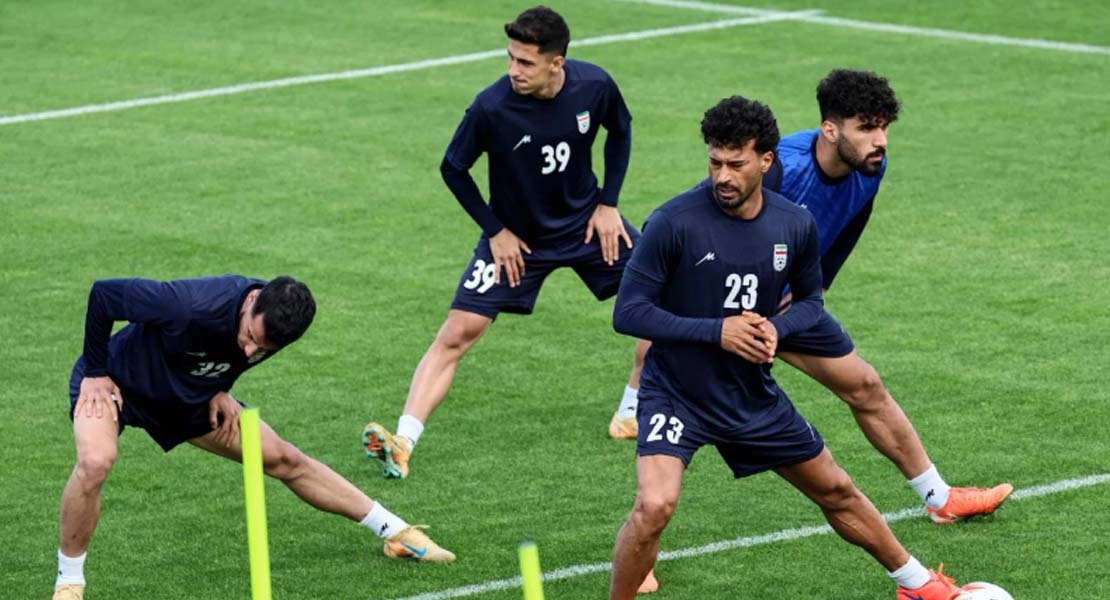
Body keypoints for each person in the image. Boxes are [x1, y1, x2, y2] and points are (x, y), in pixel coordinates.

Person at [608, 96, 973, 600]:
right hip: (677, 393)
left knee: (836, 489)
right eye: (715, 162)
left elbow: (811, 301)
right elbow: (628, 312)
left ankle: (916, 584)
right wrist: (718, 331)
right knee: (654, 506)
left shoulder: (793, 224)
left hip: (749, 395)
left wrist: (778, 330)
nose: (722, 176)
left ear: (766, 160)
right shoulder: (674, 222)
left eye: (736, 164)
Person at [363, 5, 645, 478]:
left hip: (587, 227)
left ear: (557, 62)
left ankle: (631, 412)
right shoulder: (492, 107)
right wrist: (496, 231)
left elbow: (620, 130)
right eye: (511, 58)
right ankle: (403, 441)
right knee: (456, 333)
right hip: (518, 242)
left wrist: (608, 203)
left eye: (526, 62)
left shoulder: (594, 86)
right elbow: (453, 168)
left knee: (660, 293)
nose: (514, 70)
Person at [53, 276, 453, 600]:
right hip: (117, 384)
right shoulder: (187, 304)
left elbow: (233, 354)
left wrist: (220, 387)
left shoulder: (277, 326)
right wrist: (96, 373)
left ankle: (395, 532)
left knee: (284, 459)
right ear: (251, 300)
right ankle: (69, 582)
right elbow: (104, 294)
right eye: (248, 335)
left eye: (262, 348)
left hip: (190, 398)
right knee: (95, 461)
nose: (249, 350)